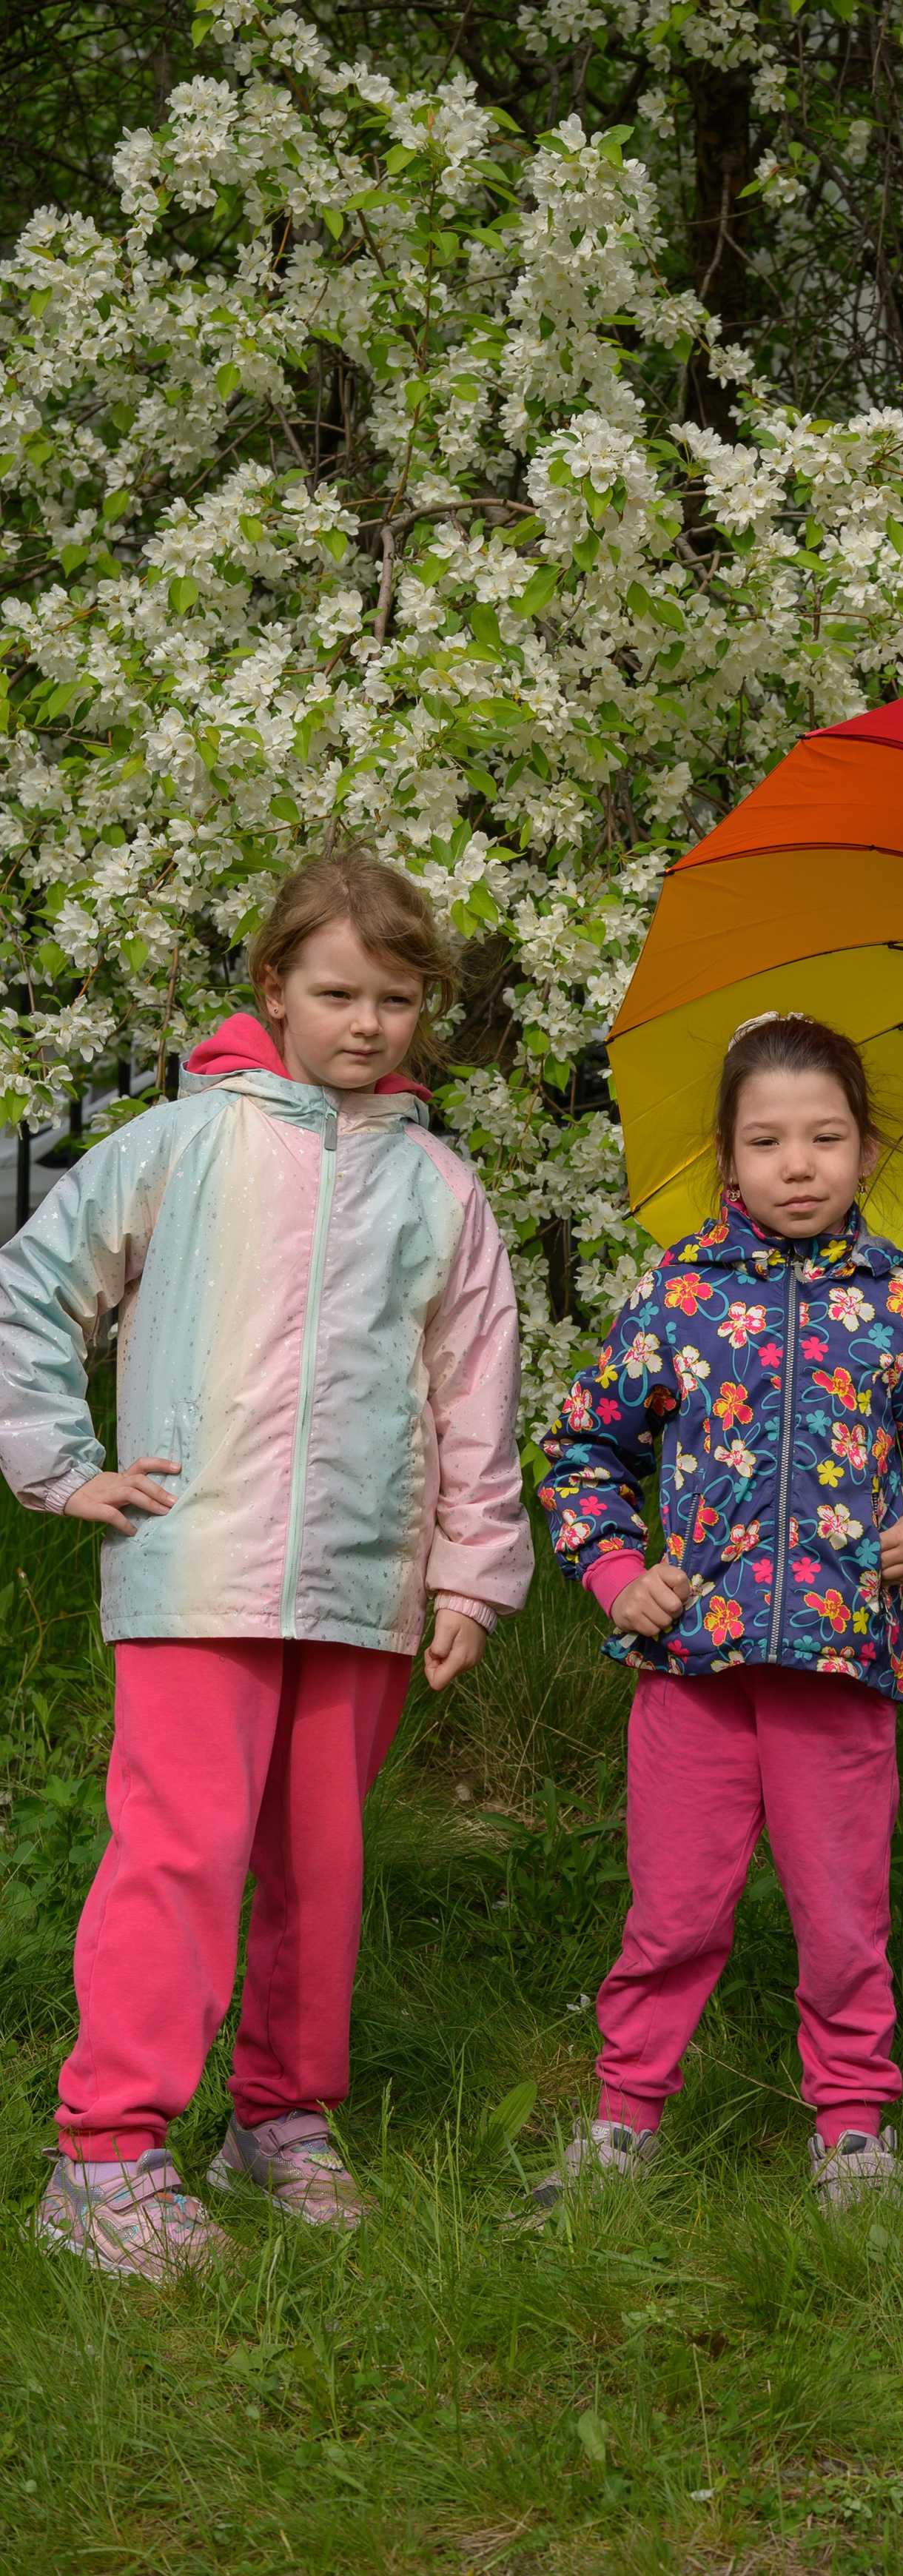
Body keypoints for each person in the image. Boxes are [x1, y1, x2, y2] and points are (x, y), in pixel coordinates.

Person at [0, 853, 531, 2281]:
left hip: (365, 1580)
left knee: (322, 1865)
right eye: (337, 992)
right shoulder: (180, 1144)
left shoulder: (439, 1188)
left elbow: (475, 1386)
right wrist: (61, 1463)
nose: (368, 1023)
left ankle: (278, 2120)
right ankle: (104, 2154)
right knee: (178, 1854)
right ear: (273, 991)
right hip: (196, 1564)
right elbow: (34, 1288)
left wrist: (473, 1572)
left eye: (399, 999)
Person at [534, 1010, 903, 2210]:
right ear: (727, 1155)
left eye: (826, 1138)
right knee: (673, 1915)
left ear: (866, 1152)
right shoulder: (678, 1296)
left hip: (840, 1675)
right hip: (693, 1669)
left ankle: (853, 2130)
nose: (798, 1165)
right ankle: (624, 2122)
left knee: (845, 1919)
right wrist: (614, 1573)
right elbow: (583, 1454)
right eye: (767, 1141)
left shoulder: (900, 1301)